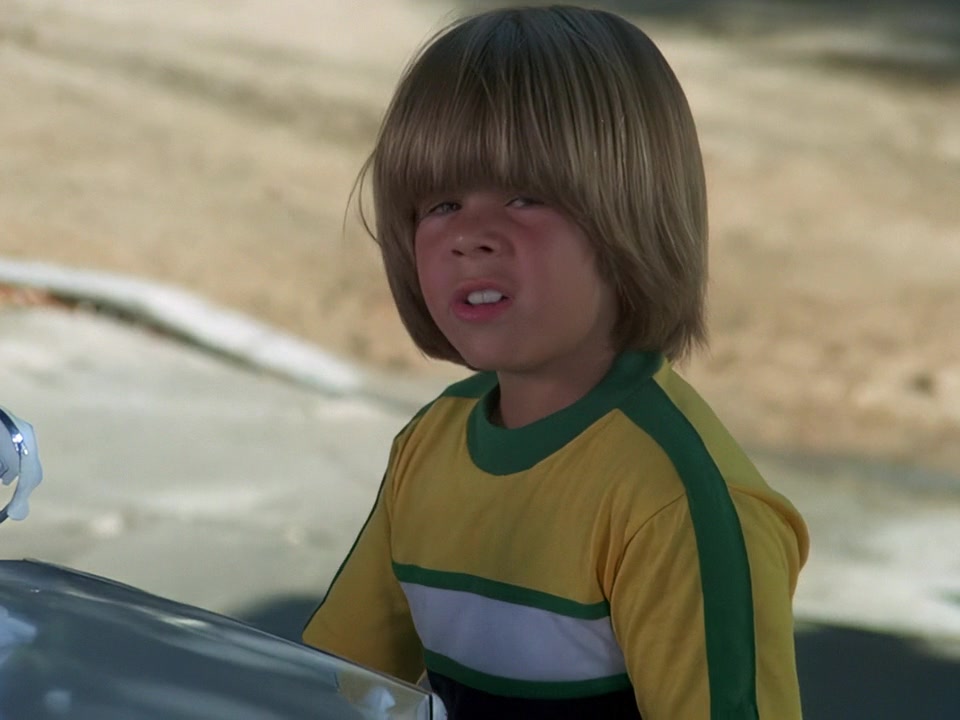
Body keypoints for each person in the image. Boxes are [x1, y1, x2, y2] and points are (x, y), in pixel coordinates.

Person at [302, 6, 809, 719]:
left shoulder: (675, 505)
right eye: (441, 203)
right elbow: (331, 689)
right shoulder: (430, 447)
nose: (470, 236)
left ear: (635, 214)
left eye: (526, 196)